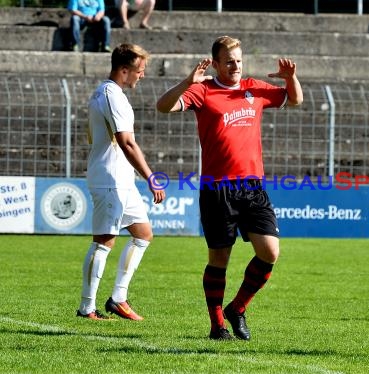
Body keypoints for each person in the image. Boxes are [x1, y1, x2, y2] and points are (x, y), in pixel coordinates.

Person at [156, 35, 303, 340]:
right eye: (229, 61)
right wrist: (187, 81)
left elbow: (295, 100)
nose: (235, 65)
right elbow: (162, 107)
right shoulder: (203, 90)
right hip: (217, 188)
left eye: (238, 60)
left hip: (253, 186)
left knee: (270, 251)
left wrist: (291, 79)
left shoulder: (254, 87)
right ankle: (216, 325)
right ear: (217, 64)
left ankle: (237, 308)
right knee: (219, 260)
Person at [76, 43, 166, 321]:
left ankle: (118, 298)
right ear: (124, 70)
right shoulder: (110, 95)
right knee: (104, 241)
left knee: (143, 234)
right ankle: (87, 307)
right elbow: (127, 143)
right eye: (139, 70)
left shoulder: (112, 93)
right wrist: (151, 177)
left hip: (120, 179)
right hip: (110, 177)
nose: (142, 75)